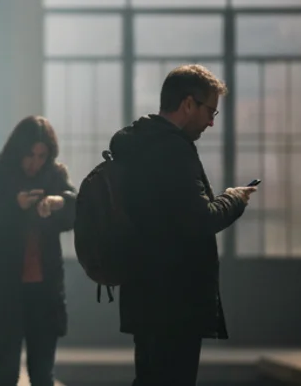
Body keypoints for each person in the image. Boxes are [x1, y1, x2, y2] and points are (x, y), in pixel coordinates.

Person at [109, 64, 257, 386]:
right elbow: (199, 219)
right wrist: (234, 199)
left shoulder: (136, 144)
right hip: (176, 302)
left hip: (143, 294)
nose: (211, 122)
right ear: (188, 104)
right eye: (210, 111)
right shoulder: (172, 150)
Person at [0, 117, 76, 386]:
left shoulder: (54, 177)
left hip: (44, 290)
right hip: (5, 291)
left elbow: (77, 209)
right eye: (29, 155)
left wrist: (57, 202)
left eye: (42, 156)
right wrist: (14, 205)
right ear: (17, 151)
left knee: (42, 375)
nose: (35, 162)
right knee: (6, 375)